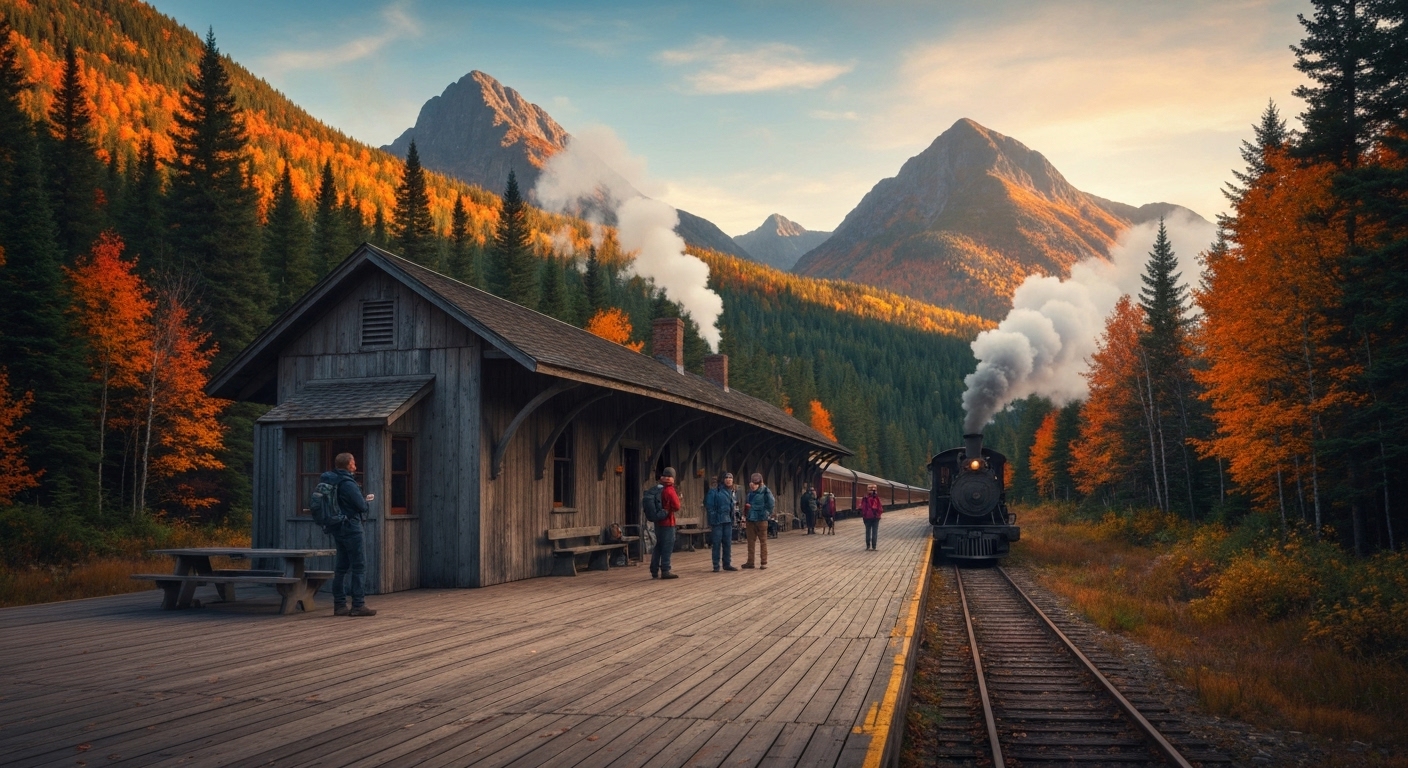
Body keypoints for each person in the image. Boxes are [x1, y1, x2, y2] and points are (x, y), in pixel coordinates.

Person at [322, 452, 376, 616]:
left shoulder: (330, 480)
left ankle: (339, 605)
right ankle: (358, 605)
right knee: (359, 566)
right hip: (351, 526)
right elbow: (361, 506)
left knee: (341, 567)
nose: (356, 465)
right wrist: (365, 501)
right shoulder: (348, 483)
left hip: (337, 527)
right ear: (348, 464)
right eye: (353, 462)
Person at [647, 467, 682, 579]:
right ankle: (665, 570)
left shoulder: (658, 489)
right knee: (667, 546)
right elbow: (676, 506)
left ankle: (654, 570)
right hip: (668, 522)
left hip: (658, 522)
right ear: (672, 477)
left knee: (658, 546)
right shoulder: (670, 490)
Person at [705, 472, 741, 572]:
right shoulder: (714, 491)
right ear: (722, 479)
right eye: (726, 477)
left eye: (731, 477)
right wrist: (713, 518)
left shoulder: (731, 492)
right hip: (718, 520)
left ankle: (727, 564)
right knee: (716, 543)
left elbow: (732, 507)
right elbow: (709, 506)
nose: (729, 479)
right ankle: (716, 565)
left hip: (728, 520)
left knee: (727, 543)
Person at [743, 472, 775, 569]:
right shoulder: (750, 493)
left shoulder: (766, 491)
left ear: (760, 483)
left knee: (763, 541)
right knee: (750, 542)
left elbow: (771, 503)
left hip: (761, 520)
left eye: (756, 483)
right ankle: (750, 562)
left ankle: (763, 562)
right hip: (750, 519)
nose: (753, 485)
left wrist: (766, 513)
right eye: (752, 483)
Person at [860, 483, 884, 550]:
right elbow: (880, 508)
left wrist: (864, 515)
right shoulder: (877, 498)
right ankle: (874, 546)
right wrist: (879, 515)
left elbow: (863, 508)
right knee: (874, 531)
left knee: (868, 531)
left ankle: (868, 546)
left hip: (867, 517)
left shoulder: (865, 498)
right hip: (876, 517)